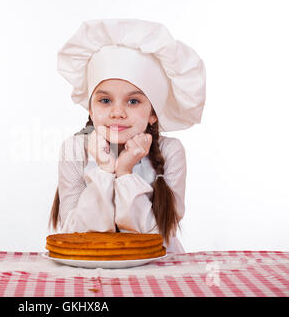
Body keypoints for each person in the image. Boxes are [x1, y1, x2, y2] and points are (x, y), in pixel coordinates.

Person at [49, 19, 206, 254]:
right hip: (89, 268)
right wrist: (103, 169)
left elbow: (157, 237)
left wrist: (124, 173)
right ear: (90, 109)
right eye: (104, 100)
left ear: (153, 113)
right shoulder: (74, 149)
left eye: (133, 101)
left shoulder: (171, 151)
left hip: (159, 271)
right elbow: (73, 235)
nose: (117, 113)